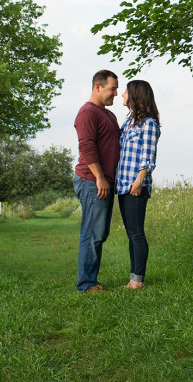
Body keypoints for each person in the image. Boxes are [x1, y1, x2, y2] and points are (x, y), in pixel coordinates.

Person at [73, 69, 120, 293]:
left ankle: (91, 280)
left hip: (105, 181)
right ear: (97, 87)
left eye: (117, 89)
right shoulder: (87, 113)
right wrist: (100, 177)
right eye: (112, 89)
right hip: (92, 180)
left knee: (99, 233)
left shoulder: (109, 115)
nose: (116, 94)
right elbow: (87, 146)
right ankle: (86, 284)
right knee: (93, 233)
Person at [115, 79, 160, 289]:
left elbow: (148, 156)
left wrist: (139, 180)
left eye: (125, 92)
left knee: (136, 232)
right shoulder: (128, 123)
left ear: (135, 95)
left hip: (135, 185)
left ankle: (137, 281)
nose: (122, 95)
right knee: (130, 232)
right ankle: (134, 278)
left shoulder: (149, 123)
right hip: (123, 184)